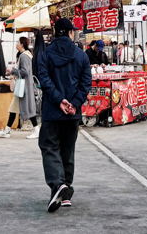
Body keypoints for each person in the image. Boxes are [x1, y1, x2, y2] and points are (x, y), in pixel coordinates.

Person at [37, 18, 92, 213]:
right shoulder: (81, 55)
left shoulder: (46, 54)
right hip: (73, 114)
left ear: (55, 33)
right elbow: (86, 83)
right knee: (67, 149)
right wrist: (74, 103)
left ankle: (58, 185)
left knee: (50, 146)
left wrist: (60, 100)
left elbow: (44, 80)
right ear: (70, 33)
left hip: (52, 112)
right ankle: (65, 190)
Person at [0, 37, 40, 139]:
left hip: (23, 88)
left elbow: (24, 71)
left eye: (18, 42)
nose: (16, 44)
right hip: (23, 87)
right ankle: (7, 130)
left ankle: (36, 130)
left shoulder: (24, 56)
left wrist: (14, 71)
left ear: (22, 44)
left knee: (29, 109)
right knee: (13, 109)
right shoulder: (26, 55)